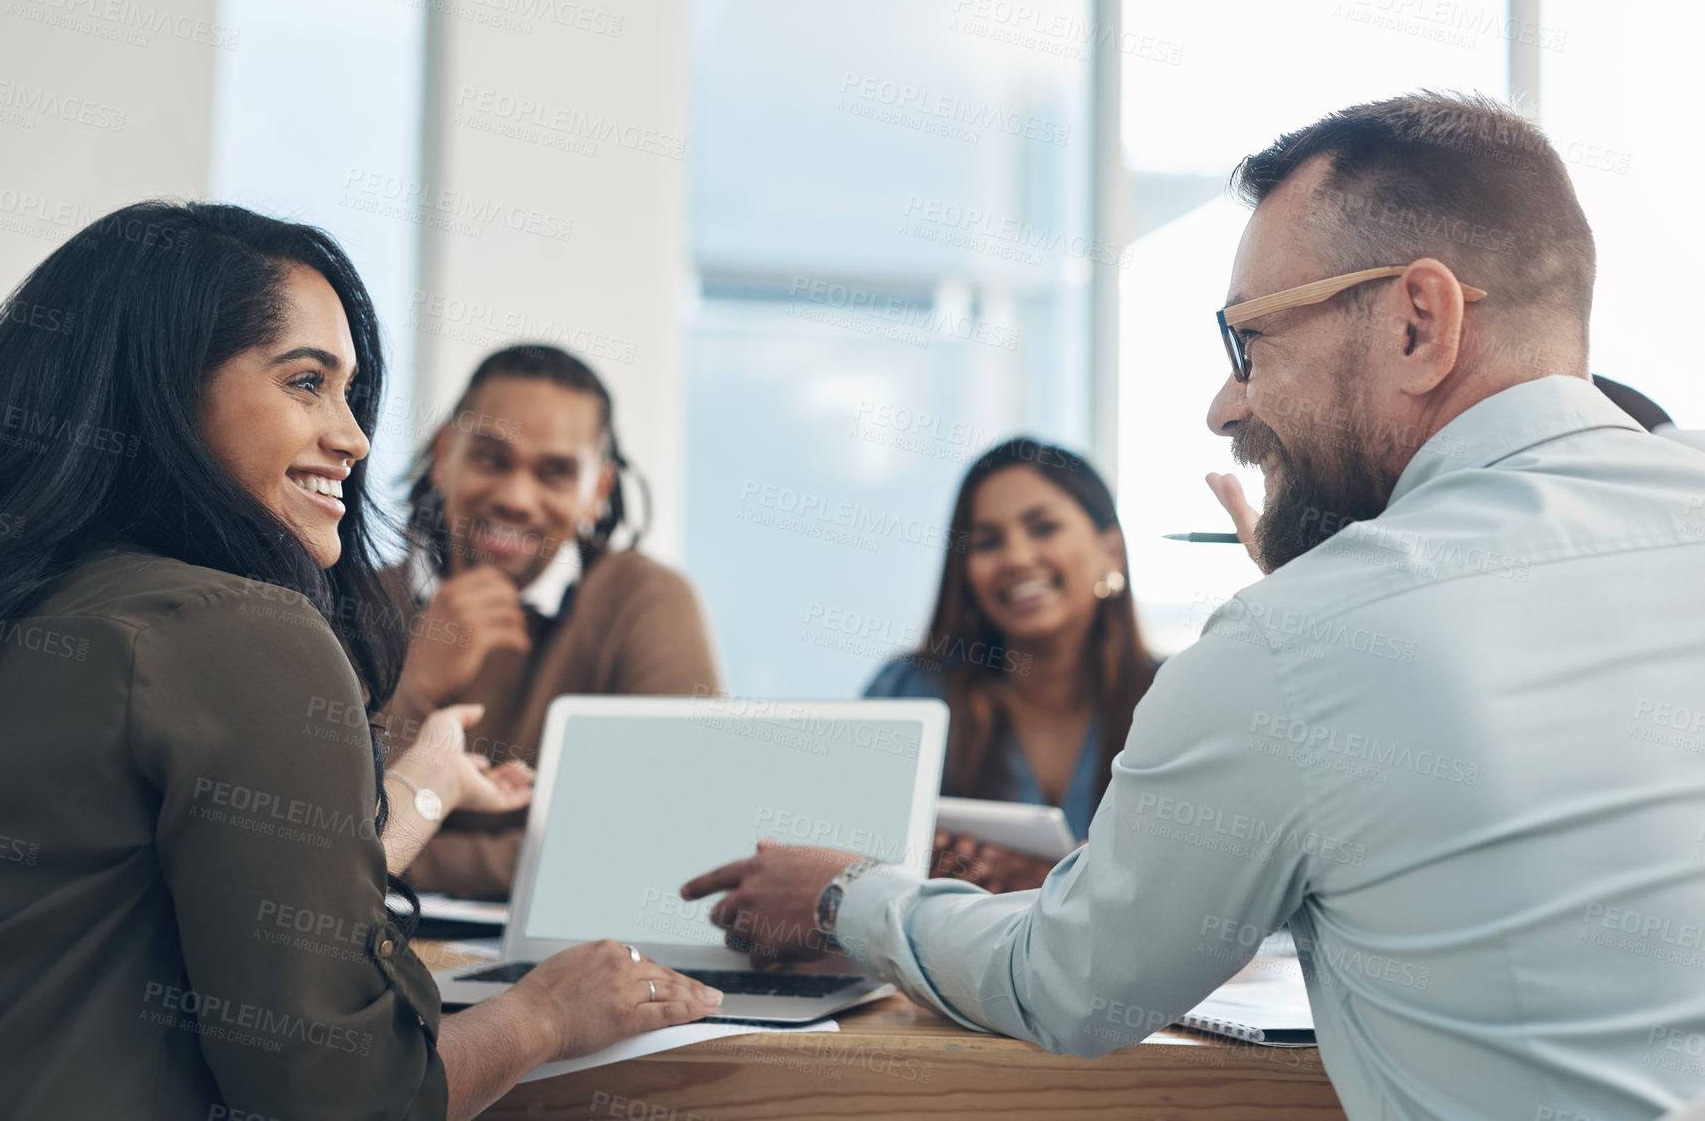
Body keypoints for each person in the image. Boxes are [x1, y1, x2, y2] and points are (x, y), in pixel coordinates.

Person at [679, 92, 1705, 1117]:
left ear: (1417, 321)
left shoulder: (1301, 637)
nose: (1227, 405)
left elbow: (1069, 981)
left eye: (1250, 340)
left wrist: (843, 891)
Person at [0, 202, 721, 1121]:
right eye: (306, 382)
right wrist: (545, 1012)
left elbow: (242, 872)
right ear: (165, 389)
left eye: (350, 391)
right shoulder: (250, 627)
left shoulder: (50, 598)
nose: (354, 436)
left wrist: (427, 784)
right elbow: (348, 1092)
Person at [380, 343, 720, 899]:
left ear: (597, 493)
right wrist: (417, 683)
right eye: (491, 459)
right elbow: (318, 833)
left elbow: (669, 840)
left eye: (556, 473)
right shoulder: (354, 596)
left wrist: (397, 852)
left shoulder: (643, 601)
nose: (516, 498)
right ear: (445, 457)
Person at [864, 437, 1159, 892]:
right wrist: (913, 878)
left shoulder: (1179, 700)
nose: (1017, 558)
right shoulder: (908, 690)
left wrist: (1054, 887)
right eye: (986, 541)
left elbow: (1217, 898)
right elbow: (847, 864)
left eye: (1043, 528)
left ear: (1111, 552)